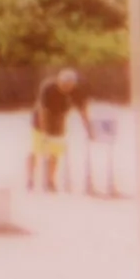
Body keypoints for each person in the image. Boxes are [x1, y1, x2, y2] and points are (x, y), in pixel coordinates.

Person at [26, 66, 89, 194]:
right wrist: (44, 132)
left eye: (70, 85)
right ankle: (30, 178)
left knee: (55, 152)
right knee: (36, 150)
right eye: (64, 84)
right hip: (40, 122)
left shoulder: (76, 91)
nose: (67, 88)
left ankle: (50, 181)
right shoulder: (48, 87)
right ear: (59, 81)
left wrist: (88, 128)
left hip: (59, 122)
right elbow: (42, 110)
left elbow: (83, 110)